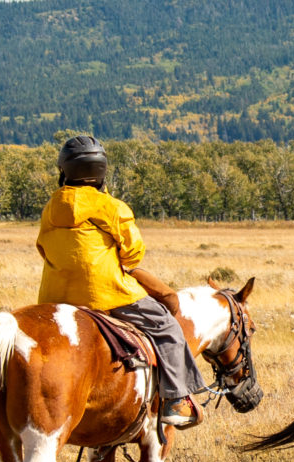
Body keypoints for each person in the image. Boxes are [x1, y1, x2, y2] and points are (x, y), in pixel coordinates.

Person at [35, 136, 204, 428]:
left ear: (64, 171)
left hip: (55, 296)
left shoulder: (51, 208)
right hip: (107, 294)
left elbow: (42, 248)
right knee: (166, 327)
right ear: (101, 172)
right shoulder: (112, 207)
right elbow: (133, 253)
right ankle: (176, 401)